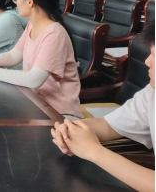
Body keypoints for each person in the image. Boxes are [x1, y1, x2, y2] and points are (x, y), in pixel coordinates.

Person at [52, 20, 155, 192]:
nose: (147, 61)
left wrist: (94, 152)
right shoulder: (152, 92)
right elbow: (109, 125)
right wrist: (72, 130)